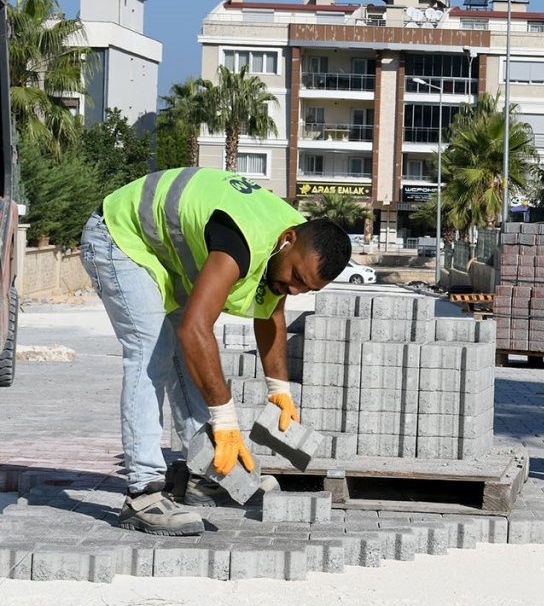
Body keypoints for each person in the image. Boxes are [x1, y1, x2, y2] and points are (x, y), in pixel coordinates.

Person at [80, 167, 352, 535]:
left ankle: (203, 475)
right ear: (288, 240)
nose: (295, 290)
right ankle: (142, 494)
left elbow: (271, 313)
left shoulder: (290, 246)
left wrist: (280, 392)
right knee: (152, 349)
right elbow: (196, 329)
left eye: (307, 289)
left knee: (188, 355)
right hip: (119, 235)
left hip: (162, 254)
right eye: (297, 279)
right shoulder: (243, 239)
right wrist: (224, 419)